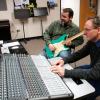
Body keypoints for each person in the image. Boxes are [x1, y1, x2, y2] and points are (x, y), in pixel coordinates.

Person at [50, 15, 100, 100]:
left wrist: (66, 72)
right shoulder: (92, 41)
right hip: (95, 68)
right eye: (84, 29)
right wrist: (64, 60)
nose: (84, 33)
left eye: (87, 30)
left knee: (83, 96)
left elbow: (95, 73)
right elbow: (80, 53)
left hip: (97, 74)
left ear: (98, 30)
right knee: (73, 73)